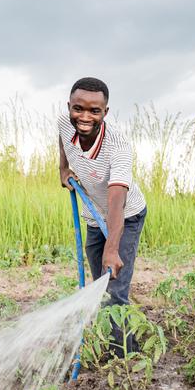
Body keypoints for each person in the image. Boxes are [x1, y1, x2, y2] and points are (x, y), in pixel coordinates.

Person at [58, 77, 147, 357]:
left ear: (105, 113)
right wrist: (63, 170)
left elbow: (117, 200)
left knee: (115, 287)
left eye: (94, 111)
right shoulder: (64, 122)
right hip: (94, 214)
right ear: (69, 106)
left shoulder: (118, 147)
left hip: (125, 215)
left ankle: (124, 358)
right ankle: (111, 340)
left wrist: (112, 249)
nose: (84, 116)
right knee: (101, 285)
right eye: (78, 108)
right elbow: (62, 141)